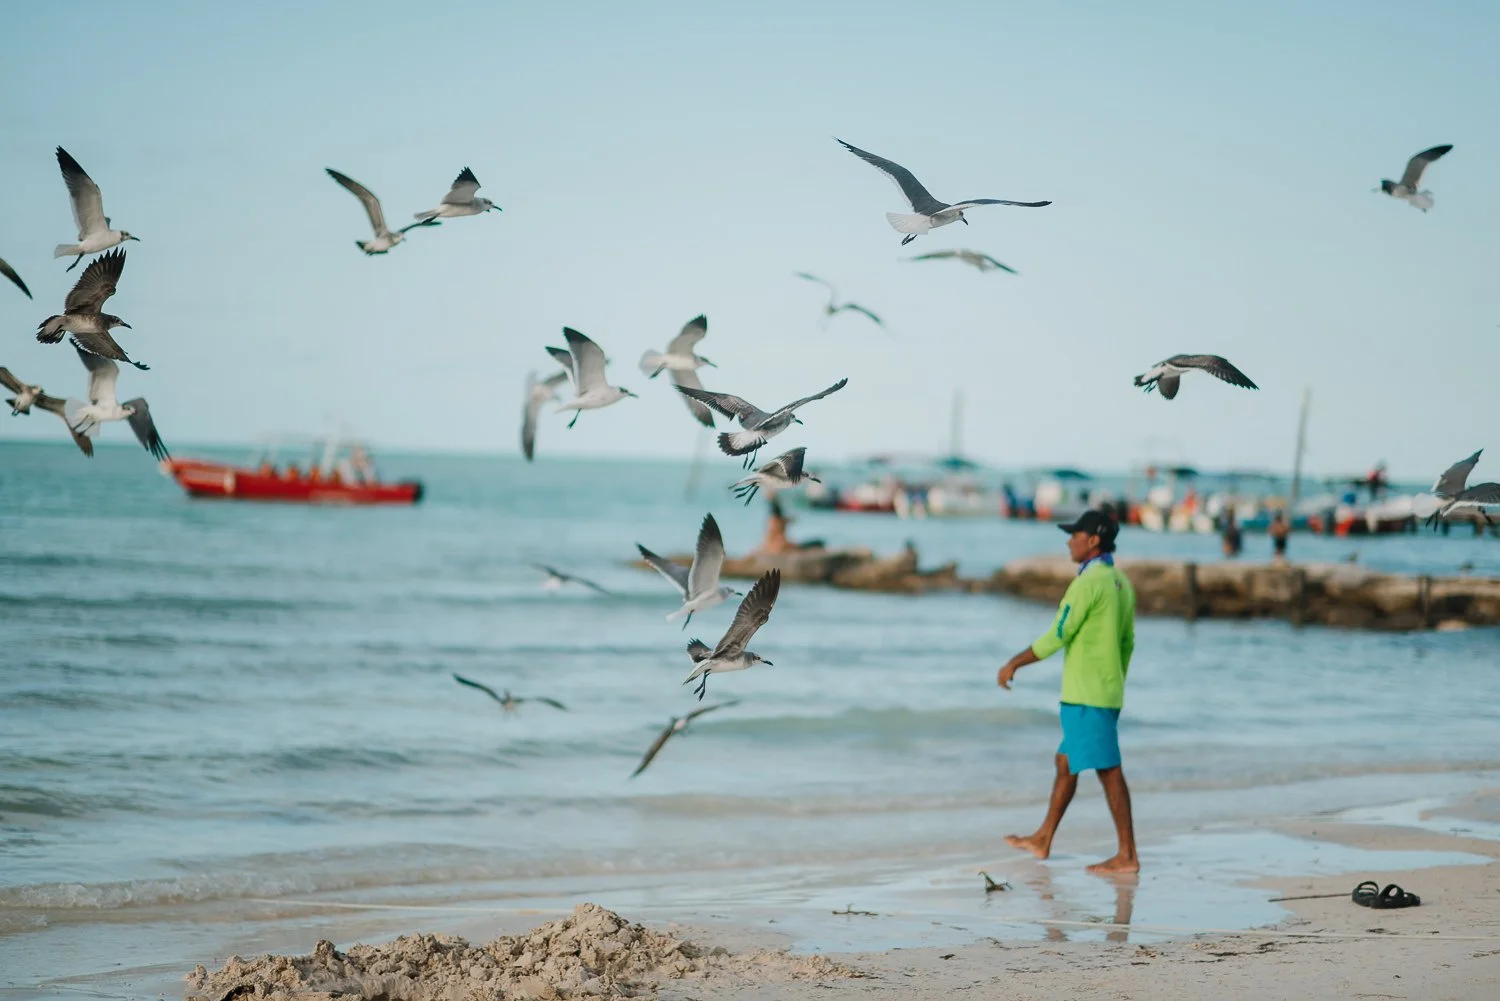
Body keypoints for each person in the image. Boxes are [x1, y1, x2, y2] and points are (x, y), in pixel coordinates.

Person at [996, 509, 1139, 874]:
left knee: (1109, 771)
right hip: (1105, 691)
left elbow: (1058, 634)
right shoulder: (1120, 581)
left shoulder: (1088, 583)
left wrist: (1014, 663)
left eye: (1075, 535)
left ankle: (1127, 855)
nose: (1069, 542)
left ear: (1093, 540)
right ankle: (1043, 838)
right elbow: (1128, 642)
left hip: (1086, 695)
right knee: (1065, 762)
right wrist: (1114, 681)